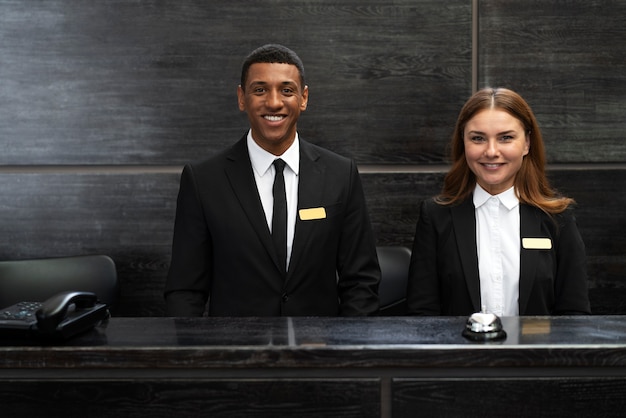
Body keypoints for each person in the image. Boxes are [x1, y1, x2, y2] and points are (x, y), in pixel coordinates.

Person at [164, 44, 380, 316]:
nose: (274, 102)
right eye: (260, 90)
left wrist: (347, 355)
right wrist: (200, 357)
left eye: (287, 90)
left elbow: (361, 282)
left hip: (319, 353)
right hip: (236, 353)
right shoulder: (203, 180)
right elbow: (185, 291)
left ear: (303, 98)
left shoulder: (341, 174)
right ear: (242, 98)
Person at [407, 87, 591, 316]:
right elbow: (422, 316)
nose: (491, 151)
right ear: (463, 143)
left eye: (506, 138)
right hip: (461, 352)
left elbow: (574, 316)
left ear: (527, 143)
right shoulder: (436, 216)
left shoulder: (557, 217)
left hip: (536, 352)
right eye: (478, 138)